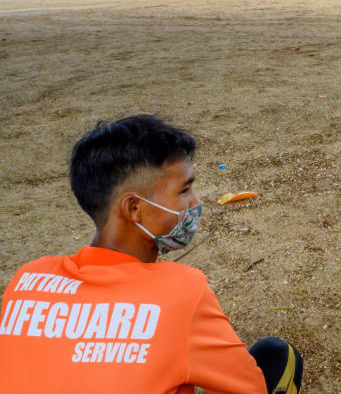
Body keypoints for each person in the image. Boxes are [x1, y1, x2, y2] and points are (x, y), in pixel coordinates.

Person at [0, 115, 303, 394]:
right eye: (184, 191)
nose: (196, 203)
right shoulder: (182, 291)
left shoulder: (27, 280)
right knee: (277, 356)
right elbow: (251, 388)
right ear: (134, 208)